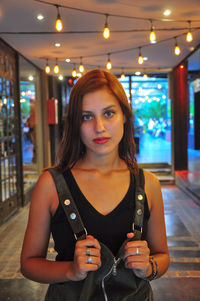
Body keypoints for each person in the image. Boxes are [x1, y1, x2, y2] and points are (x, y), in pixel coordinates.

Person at [20, 69, 170, 300]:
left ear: (125, 116)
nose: (99, 127)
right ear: (75, 124)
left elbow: (162, 256)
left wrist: (148, 266)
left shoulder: (147, 184)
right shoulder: (51, 184)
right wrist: (71, 270)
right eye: (87, 116)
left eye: (109, 113)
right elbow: (29, 264)